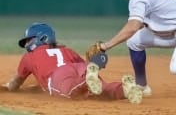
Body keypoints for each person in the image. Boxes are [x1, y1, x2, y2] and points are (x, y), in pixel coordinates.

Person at [1, 22, 143, 104]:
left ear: (42, 38)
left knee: (68, 93)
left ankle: (88, 78)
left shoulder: (30, 56)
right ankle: (125, 89)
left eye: (29, 40)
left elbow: (15, 83)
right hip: (79, 68)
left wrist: (7, 87)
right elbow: (84, 65)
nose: (27, 44)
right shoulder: (68, 50)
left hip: (58, 76)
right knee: (100, 90)